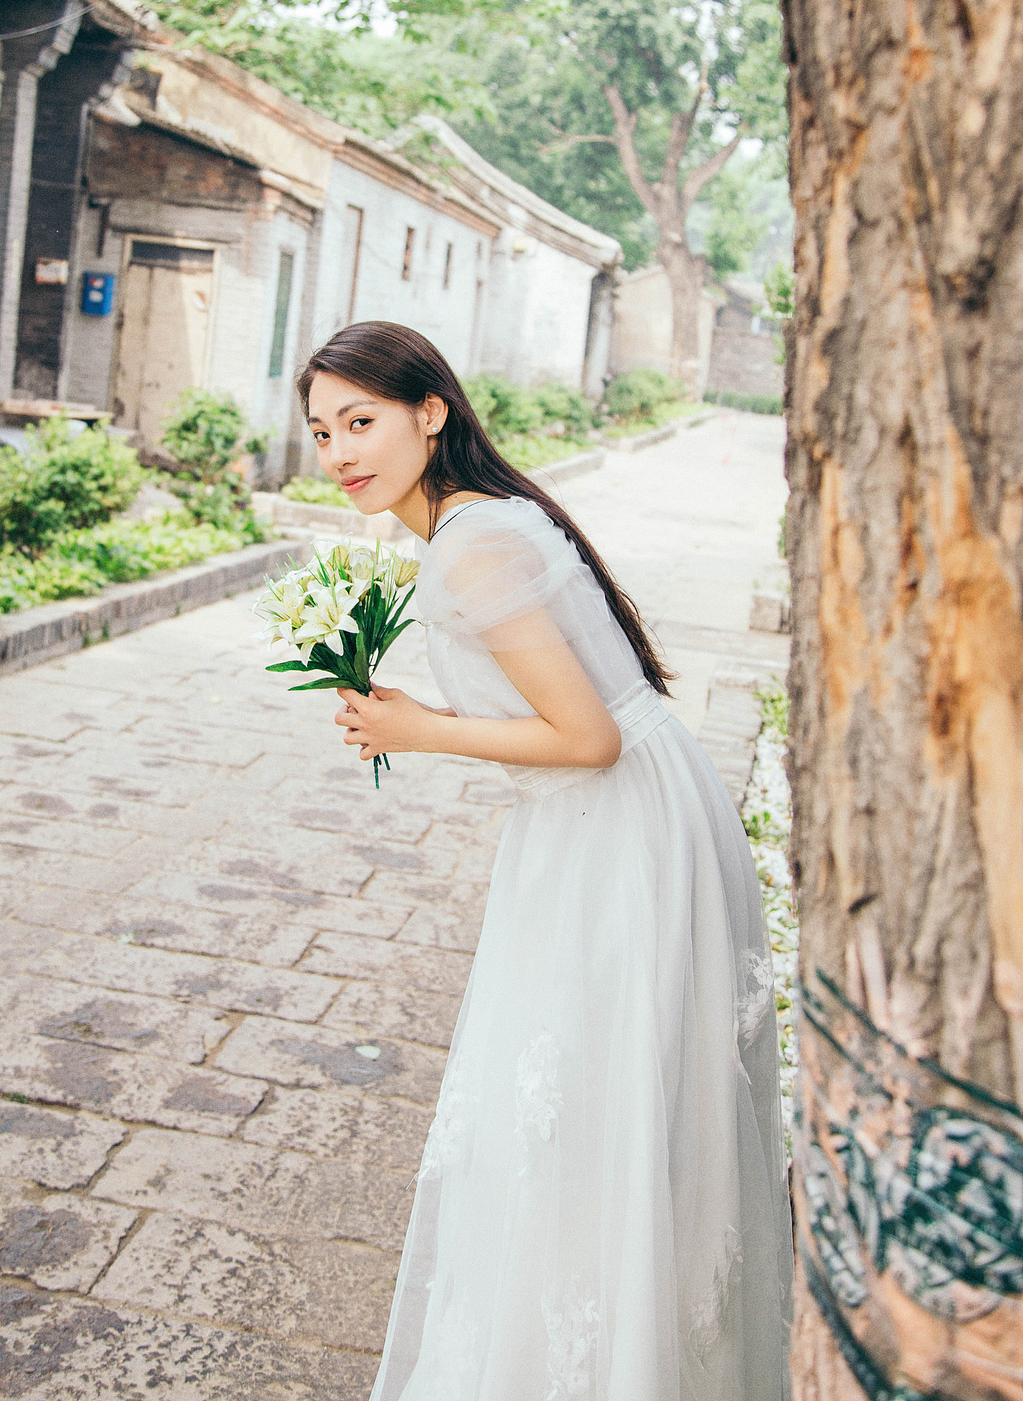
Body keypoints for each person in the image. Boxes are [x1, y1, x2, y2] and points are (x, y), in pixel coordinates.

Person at [298, 322, 793, 1401]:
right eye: (322, 431)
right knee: (599, 1112)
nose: (339, 452)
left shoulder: (471, 541)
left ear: (431, 412)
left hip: (611, 826)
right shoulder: (486, 518)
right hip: (619, 818)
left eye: (361, 421)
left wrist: (420, 729)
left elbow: (586, 738)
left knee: (580, 1115)